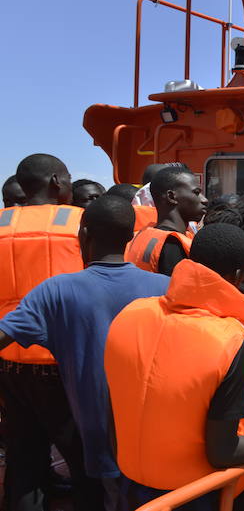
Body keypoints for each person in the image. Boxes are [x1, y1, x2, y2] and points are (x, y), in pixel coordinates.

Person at [106, 223, 244, 511]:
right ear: (239, 275)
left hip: (127, 482)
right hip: (192, 495)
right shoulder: (230, 341)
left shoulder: (129, 314)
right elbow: (223, 451)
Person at [0, 195, 169, 510]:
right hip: (155, 438)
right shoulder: (166, 287)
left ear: (83, 235)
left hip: (96, 437)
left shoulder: (55, 291)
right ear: (131, 237)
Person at [0, 154, 88, 511]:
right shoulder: (80, 223)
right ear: (55, 180)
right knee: (84, 462)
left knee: (23, 459)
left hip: (8, 361)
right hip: (64, 363)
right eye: (67, 178)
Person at [124, 166, 208, 275]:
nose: (204, 200)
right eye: (196, 192)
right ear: (171, 197)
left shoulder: (139, 236)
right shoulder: (173, 245)